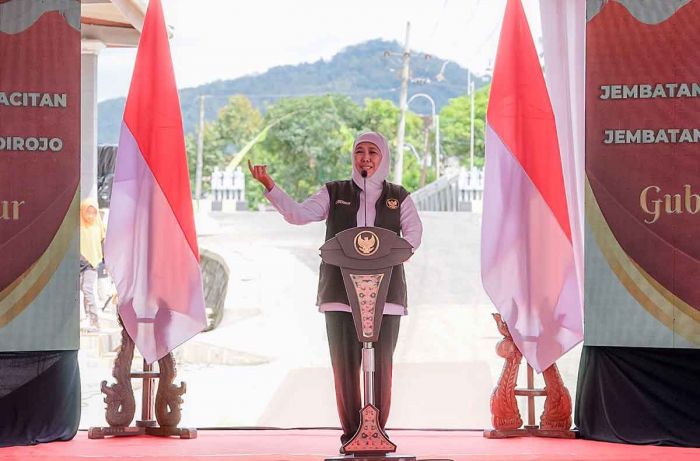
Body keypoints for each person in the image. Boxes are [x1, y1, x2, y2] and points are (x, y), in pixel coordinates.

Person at [248, 131, 423, 449]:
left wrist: (387, 255)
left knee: (381, 363)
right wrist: (270, 186)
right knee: (344, 366)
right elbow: (299, 215)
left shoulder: (400, 196)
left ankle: (377, 431)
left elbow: (413, 235)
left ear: (383, 157)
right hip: (341, 295)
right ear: (353, 157)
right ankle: (352, 433)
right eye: (360, 152)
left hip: (384, 296)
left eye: (372, 152)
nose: (365, 157)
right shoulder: (335, 192)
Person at [79, 198, 106, 332]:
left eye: (93, 213)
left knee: (87, 289)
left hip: (92, 262)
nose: (90, 215)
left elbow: (102, 242)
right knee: (78, 291)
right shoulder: (77, 224)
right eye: (87, 212)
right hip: (77, 262)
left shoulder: (98, 225)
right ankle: (84, 319)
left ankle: (95, 320)